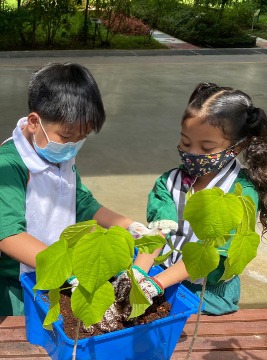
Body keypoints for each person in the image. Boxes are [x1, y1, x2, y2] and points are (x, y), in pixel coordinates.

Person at [95, 81, 267, 332]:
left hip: (207, 293)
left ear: (239, 147)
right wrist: (137, 275)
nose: (193, 154)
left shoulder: (241, 194)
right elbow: (158, 233)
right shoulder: (169, 182)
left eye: (207, 148)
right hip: (165, 275)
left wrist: (155, 285)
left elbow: (215, 256)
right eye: (186, 143)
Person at [0, 62, 153, 316]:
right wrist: (70, 267)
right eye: (67, 136)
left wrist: (129, 226)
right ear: (34, 122)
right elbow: (9, 236)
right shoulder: (9, 165)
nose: (73, 145)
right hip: (18, 285)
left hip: (57, 275)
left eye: (82, 137)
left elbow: (79, 200)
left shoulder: (58, 153)